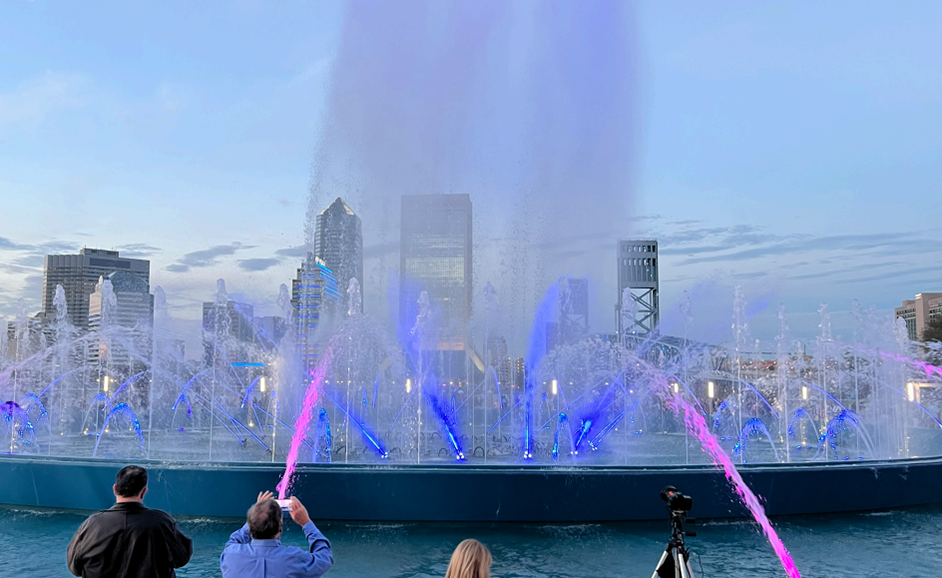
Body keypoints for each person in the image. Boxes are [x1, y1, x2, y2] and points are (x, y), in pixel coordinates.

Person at [67, 465, 193, 578]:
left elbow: (75, 568)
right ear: (143, 492)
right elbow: (181, 558)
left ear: (115, 488)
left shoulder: (92, 524)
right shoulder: (162, 522)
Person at [220, 491, 333, 578]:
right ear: (280, 528)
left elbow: (234, 540)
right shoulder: (294, 558)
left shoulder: (230, 555)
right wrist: (305, 522)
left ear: (251, 525)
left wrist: (258, 513)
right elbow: (324, 557)